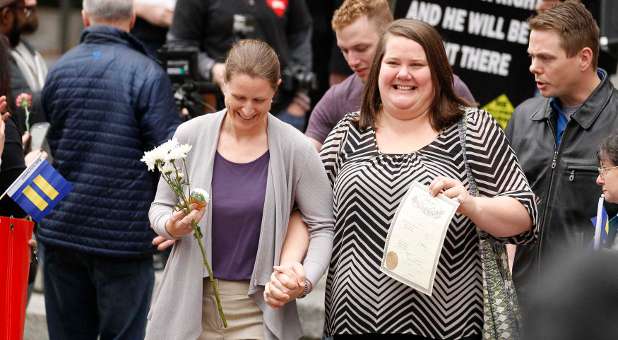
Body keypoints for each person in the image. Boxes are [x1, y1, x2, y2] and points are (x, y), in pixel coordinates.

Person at [306, 19, 536, 338]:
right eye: (393, 63)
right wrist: (296, 272)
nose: (403, 74)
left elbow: (525, 216)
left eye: (417, 64)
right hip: (348, 325)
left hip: (448, 327)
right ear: (378, 71)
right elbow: (307, 213)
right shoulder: (347, 132)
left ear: (439, 73)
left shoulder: (473, 129)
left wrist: (473, 205)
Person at [145, 39, 334, 340]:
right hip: (187, 301)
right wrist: (171, 226)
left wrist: (304, 279)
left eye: (259, 100)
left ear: (276, 90)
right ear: (223, 85)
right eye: (239, 97)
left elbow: (322, 225)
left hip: (259, 310)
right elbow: (159, 207)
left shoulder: (296, 148)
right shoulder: (190, 134)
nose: (247, 109)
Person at [38, 0, 181, 338]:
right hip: (124, 241)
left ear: (86, 18)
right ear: (132, 20)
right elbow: (169, 157)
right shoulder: (147, 73)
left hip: (62, 233)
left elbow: (48, 145)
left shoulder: (59, 69)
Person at [506, 0, 618, 311]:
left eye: (545, 58)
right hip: (521, 305)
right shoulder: (523, 117)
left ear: (584, 58)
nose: (532, 67)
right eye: (531, 56)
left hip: (592, 311)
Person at [305, 0, 476, 150]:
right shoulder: (337, 98)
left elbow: (480, 152)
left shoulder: (448, 86)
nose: (352, 61)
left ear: (388, 36)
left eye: (361, 48)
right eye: (344, 50)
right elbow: (307, 160)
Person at [167, 0, 313, 130]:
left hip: (282, 107)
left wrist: (300, 95)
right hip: (213, 107)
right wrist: (212, 69)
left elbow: (301, 35)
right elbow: (179, 45)